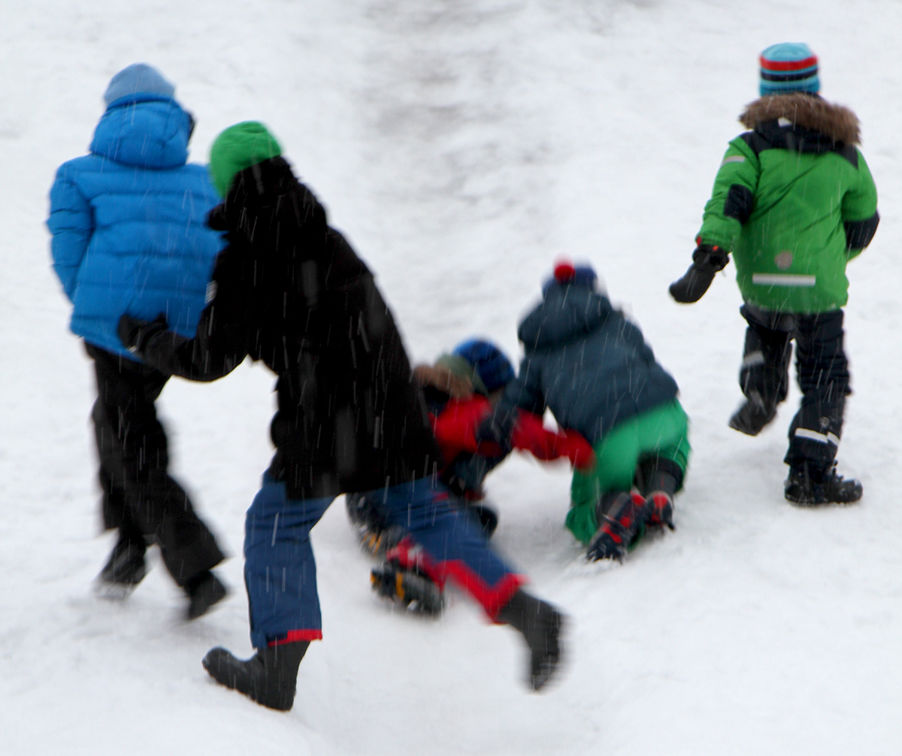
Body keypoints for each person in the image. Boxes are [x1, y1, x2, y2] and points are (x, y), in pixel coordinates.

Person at [117, 121, 565, 710]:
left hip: (327, 418)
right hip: (395, 401)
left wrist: (145, 338)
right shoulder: (326, 237)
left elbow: (207, 358)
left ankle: (277, 666)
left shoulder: (246, 256)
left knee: (273, 525)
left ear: (227, 186)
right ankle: (525, 610)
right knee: (427, 514)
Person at [46, 63, 228, 618]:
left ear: (112, 113)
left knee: (130, 438)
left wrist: (97, 305)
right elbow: (214, 251)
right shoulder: (203, 179)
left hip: (113, 327)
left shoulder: (79, 174)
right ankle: (127, 545)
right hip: (172, 333)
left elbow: (67, 251)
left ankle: (194, 567)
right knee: (117, 421)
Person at [669, 42, 879, 505]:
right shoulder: (845, 154)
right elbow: (864, 220)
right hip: (817, 287)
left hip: (761, 279)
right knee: (825, 375)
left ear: (765, 91)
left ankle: (760, 387)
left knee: (765, 326)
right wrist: (832, 258)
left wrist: (708, 259)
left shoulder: (747, 150)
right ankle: (810, 472)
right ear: (815, 91)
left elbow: (728, 204)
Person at [354, 338, 595, 613]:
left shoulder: (416, 392)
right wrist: (578, 449)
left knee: (479, 515)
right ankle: (411, 564)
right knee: (461, 519)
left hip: (364, 496)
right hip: (401, 501)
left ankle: (382, 532)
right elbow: (517, 429)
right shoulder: (466, 410)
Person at [481, 261, 691, 562]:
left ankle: (614, 507)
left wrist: (495, 424)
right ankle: (659, 488)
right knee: (671, 446)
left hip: (606, 436)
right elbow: (646, 361)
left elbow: (520, 409)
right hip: (663, 413)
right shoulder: (617, 323)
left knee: (585, 506)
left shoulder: (539, 348)